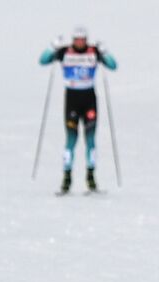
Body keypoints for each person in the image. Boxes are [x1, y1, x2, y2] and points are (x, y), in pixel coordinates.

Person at [38, 27, 117, 193]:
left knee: (90, 141)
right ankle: (66, 179)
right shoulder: (64, 52)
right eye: (77, 39)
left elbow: (112, 65)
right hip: (72, 100)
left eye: (82, 39)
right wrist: (52, 47)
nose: (80, 42)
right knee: (71, 140)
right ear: (73, 40)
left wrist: (105, 52)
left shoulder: (94, 52)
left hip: (89, 99)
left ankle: (91, 177)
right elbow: (43, 61)